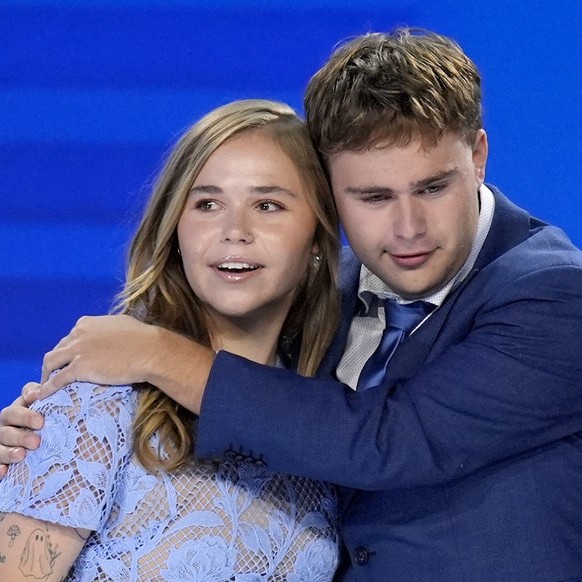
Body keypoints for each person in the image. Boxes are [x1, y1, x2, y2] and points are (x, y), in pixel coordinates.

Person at [2, 27, 582, 581]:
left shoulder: (555, 294)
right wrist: (42, 447)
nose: (409, 227)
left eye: (433, 187)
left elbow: (391, 441)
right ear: (331, 199)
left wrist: (158, 353)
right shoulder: (318, 305)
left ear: (478, 155)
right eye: (373, 196)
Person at [0, 99, 342, 580]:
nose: (234, 232)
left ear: (317, 239)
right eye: (207, 204)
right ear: (176, 231)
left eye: (268, 205)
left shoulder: (328, 423)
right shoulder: (97, 400)